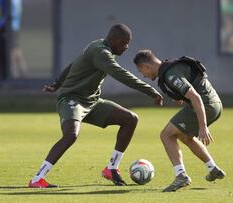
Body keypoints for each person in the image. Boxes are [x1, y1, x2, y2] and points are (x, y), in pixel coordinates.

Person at [28, 24, 163, 188]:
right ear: (114, 40)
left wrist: (57, 83)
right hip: (72, 99)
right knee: (71, 135)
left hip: (91, 101)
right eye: (124, 42)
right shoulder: (100, 52)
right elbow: (121, 74)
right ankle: (37, 179)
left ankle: (111, 168)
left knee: (130, 119)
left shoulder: (99, 47)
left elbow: (73, 64)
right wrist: (151, 91)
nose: (126, 47)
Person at [133, 49, 225, 192]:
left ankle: (181, 175)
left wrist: (203, 126)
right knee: (184, 136)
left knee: (166, 135)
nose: (143, 75)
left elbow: (195, 97)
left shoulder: (170, 75)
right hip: (216, 104)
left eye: (141, 71)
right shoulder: (169, 69)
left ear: (146, 66)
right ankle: (212, 168)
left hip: (205, 105)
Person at [10, 0, 29, 78]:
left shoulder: (14, 2)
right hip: (15, 27)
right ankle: (22, 71)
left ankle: (15, 72)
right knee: (15, 49)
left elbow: (12, 13)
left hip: (12, 27)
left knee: (13, 50)